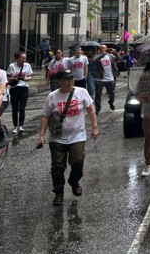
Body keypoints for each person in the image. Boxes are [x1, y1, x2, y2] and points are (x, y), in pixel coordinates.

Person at [36, 70, 98, 205]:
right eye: (65, 79)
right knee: (57, 166)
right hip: (57, 138)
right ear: (59, 81)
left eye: (71, 79)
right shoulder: (52, 97)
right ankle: (58, 192)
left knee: (78, 161)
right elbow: (45, 116)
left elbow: (91, 109)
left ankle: (74, 181)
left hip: (78, 135)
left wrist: (94, 127)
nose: (69, 82)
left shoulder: (81, 92)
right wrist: (41, 135)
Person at [7, 52, 33, 134]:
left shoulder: (27, 66)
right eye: (22, 58)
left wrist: (26, 79)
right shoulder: (12, 66)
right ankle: (15, 127)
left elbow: (30, 76)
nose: (24, 60)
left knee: (22, 108)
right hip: (14, 89)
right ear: (17, 58)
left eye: (25, 58)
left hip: (24, 88)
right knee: (15, 109)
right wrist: (15, 78)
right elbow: (8, 77)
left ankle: (21, 126)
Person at [92, 44, 120, 114]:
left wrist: (116, 52)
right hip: (99, 79)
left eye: (104, 48)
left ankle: (111, 102)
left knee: (112, 94)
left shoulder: (110, 56)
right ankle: (97, 109)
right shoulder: (96, 56)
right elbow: (94, 61)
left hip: (110, 79)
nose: (103, 50)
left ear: (106, 49)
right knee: (98, 95)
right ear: (99, 49)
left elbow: (118, 59)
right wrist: (102, 55)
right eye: (101, 49)